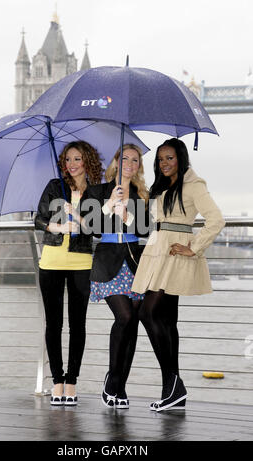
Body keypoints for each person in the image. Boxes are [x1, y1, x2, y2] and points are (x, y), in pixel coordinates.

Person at [132, 138, 225, 412]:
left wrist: (193, 248)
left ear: (181, 158)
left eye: (170, 158)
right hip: (158, 250)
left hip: (175, 255)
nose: (164, 163)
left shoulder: (194, 185)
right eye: (161, 159)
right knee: (167, 320)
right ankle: (172, 390)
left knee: (147, 313)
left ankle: (174, 384)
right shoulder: (162, 186)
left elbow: (216, 219)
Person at [34, 140, 103, 406]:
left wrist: (80, 218)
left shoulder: (96, 192)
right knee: (53, 324)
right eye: (67, 159)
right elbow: (38, 218)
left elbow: (97, 229)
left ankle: (72, 381)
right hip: (51, 262)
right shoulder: (54, 186)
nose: (71, 164)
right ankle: (57, 382)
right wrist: (56, 228)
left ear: (87, 161)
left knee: (78, 325)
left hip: (81, 264)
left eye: (77, 159)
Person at [87, 144, 149, 409]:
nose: (130, 163)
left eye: (135, 160)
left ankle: (120, 385)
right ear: (115, 161)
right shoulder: (98, 190)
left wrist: (126, 213)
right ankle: (112, 380)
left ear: (139, 167)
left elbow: (146, 228)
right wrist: (108, 206)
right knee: (124, 316)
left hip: (135, 261)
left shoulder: (141, 193)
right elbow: (90, 228)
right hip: (108, 261)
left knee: (132, 322)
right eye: (125, 158)